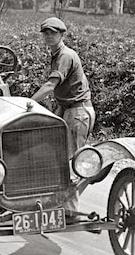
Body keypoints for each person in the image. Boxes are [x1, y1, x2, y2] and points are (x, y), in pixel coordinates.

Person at [31, 17, 95, 216]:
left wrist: (29, 102)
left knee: (73, 163)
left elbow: (51, 86)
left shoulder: (65, 56)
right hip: (68, 109)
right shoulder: (58, 54)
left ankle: (70, 211)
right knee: (58, 157)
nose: (49, 36)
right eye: (46, 33)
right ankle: (61, 202)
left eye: (53, 33)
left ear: (61, 34)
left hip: (78, 113)